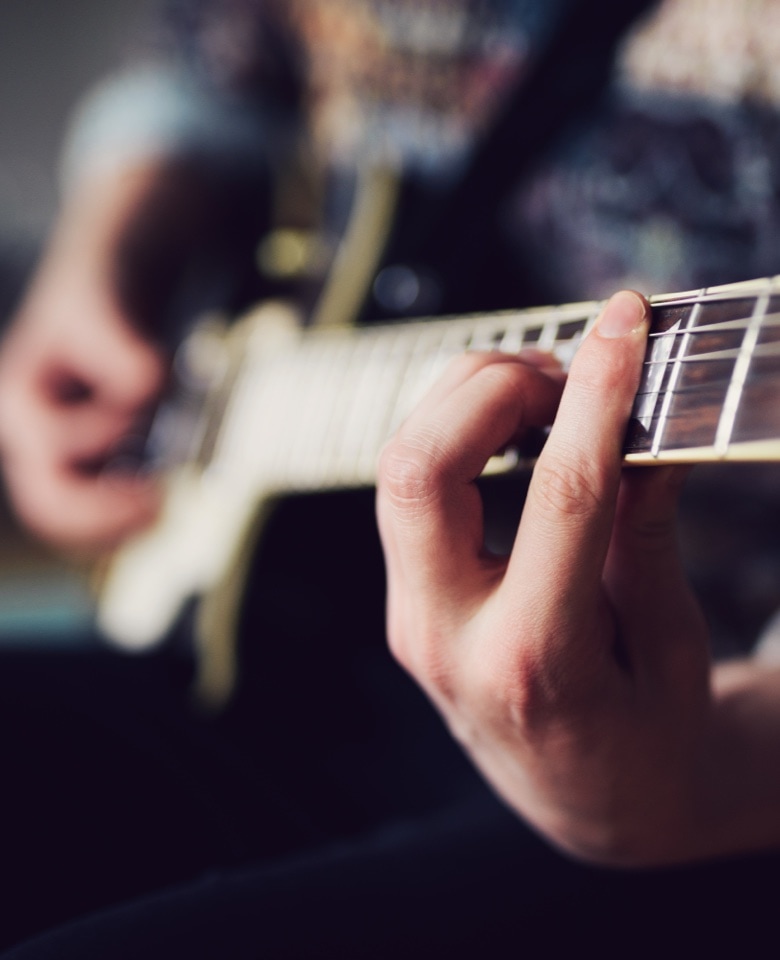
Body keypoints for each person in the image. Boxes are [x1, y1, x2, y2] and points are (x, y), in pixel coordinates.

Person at [1, 0, 780, 955]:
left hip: (690, 734)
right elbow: (210, 69)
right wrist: (109, 246)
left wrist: (709, 779)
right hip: (260, 624)